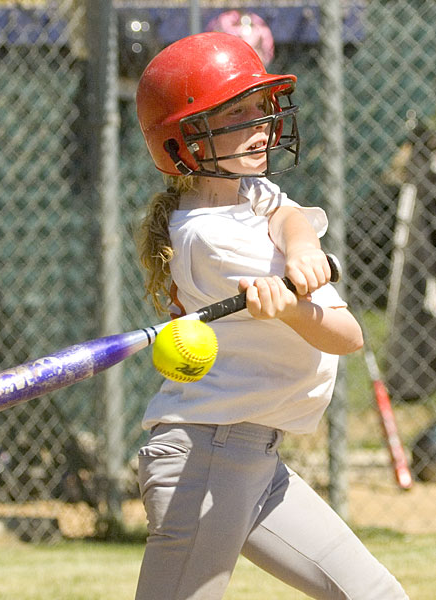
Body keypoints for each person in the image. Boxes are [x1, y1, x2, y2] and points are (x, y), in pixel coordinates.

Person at [133, 32, 408, 600]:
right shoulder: (211, 238)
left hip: (253, 456)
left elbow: (284, 212)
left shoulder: (239, 196)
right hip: (206, 462)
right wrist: (293, 310)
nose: (260, 123)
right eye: (236, 114)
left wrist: (302, 247)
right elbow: (347, 335)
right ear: (185, 138)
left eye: (260, 106)